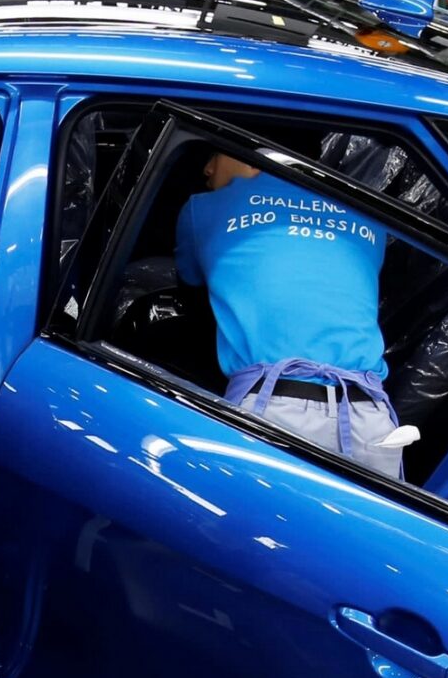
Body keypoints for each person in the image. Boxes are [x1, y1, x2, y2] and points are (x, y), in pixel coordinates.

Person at [176, 149, 415, 481]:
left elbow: (188, 283)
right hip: (370, 419)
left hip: (271, 411)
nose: (206, 168)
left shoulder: (202, 210)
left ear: (249, 154)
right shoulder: (367, 213)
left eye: (213, 153)